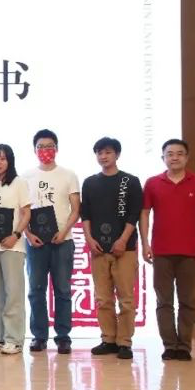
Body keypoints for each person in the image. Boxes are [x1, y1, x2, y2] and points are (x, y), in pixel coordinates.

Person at [140, 138, 195, 361]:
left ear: (187, 157)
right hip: (161, 252)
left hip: (190, 252)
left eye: (179, 153)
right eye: (170, 154)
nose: (174, 157)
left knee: (187, 300)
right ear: (163, 157)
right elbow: (144, 213)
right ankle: (169, 345)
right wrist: (145, 243)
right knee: (163, 301)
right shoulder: (152, 183)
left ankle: (184, 346)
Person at [81, 137, 143, 360]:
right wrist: (89, 239)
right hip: (99, 249)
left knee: (126, 299)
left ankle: (124, 342)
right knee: (103, 299)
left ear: (117, 154)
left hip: (125, 249)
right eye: (99, 152)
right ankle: (108, 339)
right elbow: (85, 214)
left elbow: (134, 214)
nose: (103, 156)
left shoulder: (130, 181)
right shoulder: (89, 182)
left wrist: (123, 240)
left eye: (107, 152)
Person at [23, 128, 81, 354]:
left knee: (63, 290)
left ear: (56, 149)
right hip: (35, 242)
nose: (45, 150)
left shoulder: (68, 175)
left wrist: (64, 231)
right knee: (36, 290)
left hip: (62, 241)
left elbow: (76, 209)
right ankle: (39, 336)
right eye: (41, 147)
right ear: (34, 150)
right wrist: (28, 234)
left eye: (49, 146)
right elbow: (21, 210)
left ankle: (63, 336)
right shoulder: (26, 176)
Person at [0, 144, 31, 355]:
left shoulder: (19, 183)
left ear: (10, 161)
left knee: (13, 293)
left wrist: (16, 235)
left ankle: (14, 339)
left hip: (13, 246)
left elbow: (26, 213)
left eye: (2, 158)